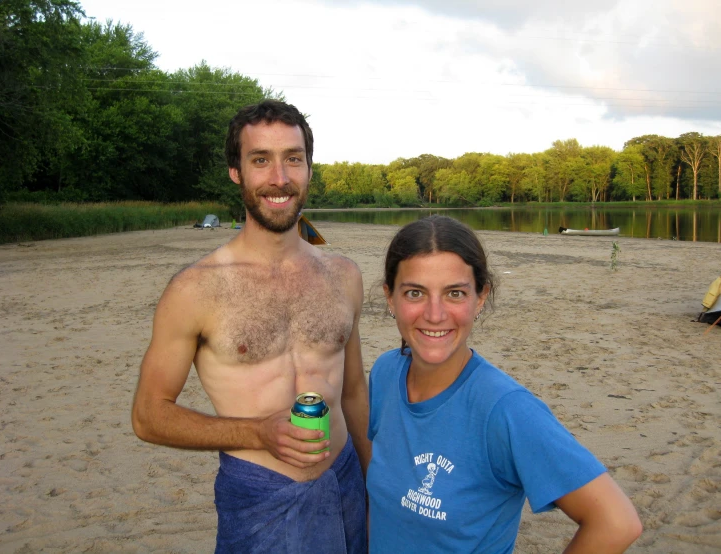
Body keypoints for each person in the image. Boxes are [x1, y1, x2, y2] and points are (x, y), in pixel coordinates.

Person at [132, 100, 370, 553]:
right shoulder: (194, 289)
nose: (279, 178)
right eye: (260, 160)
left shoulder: (344, 276)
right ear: (236, 172)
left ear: (309, 169)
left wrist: (371, 476)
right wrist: (256, 432)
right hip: (260, 497)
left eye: (292, 159)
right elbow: (148, 415)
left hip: (345, 483)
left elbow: (355, 390)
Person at [366, 215, 642, 553]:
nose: (435, 314)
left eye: (454, 293)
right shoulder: (385, 373)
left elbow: (616, 522)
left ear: (480, 298)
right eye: (415, 292)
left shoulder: (506, 410)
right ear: (390, 297)